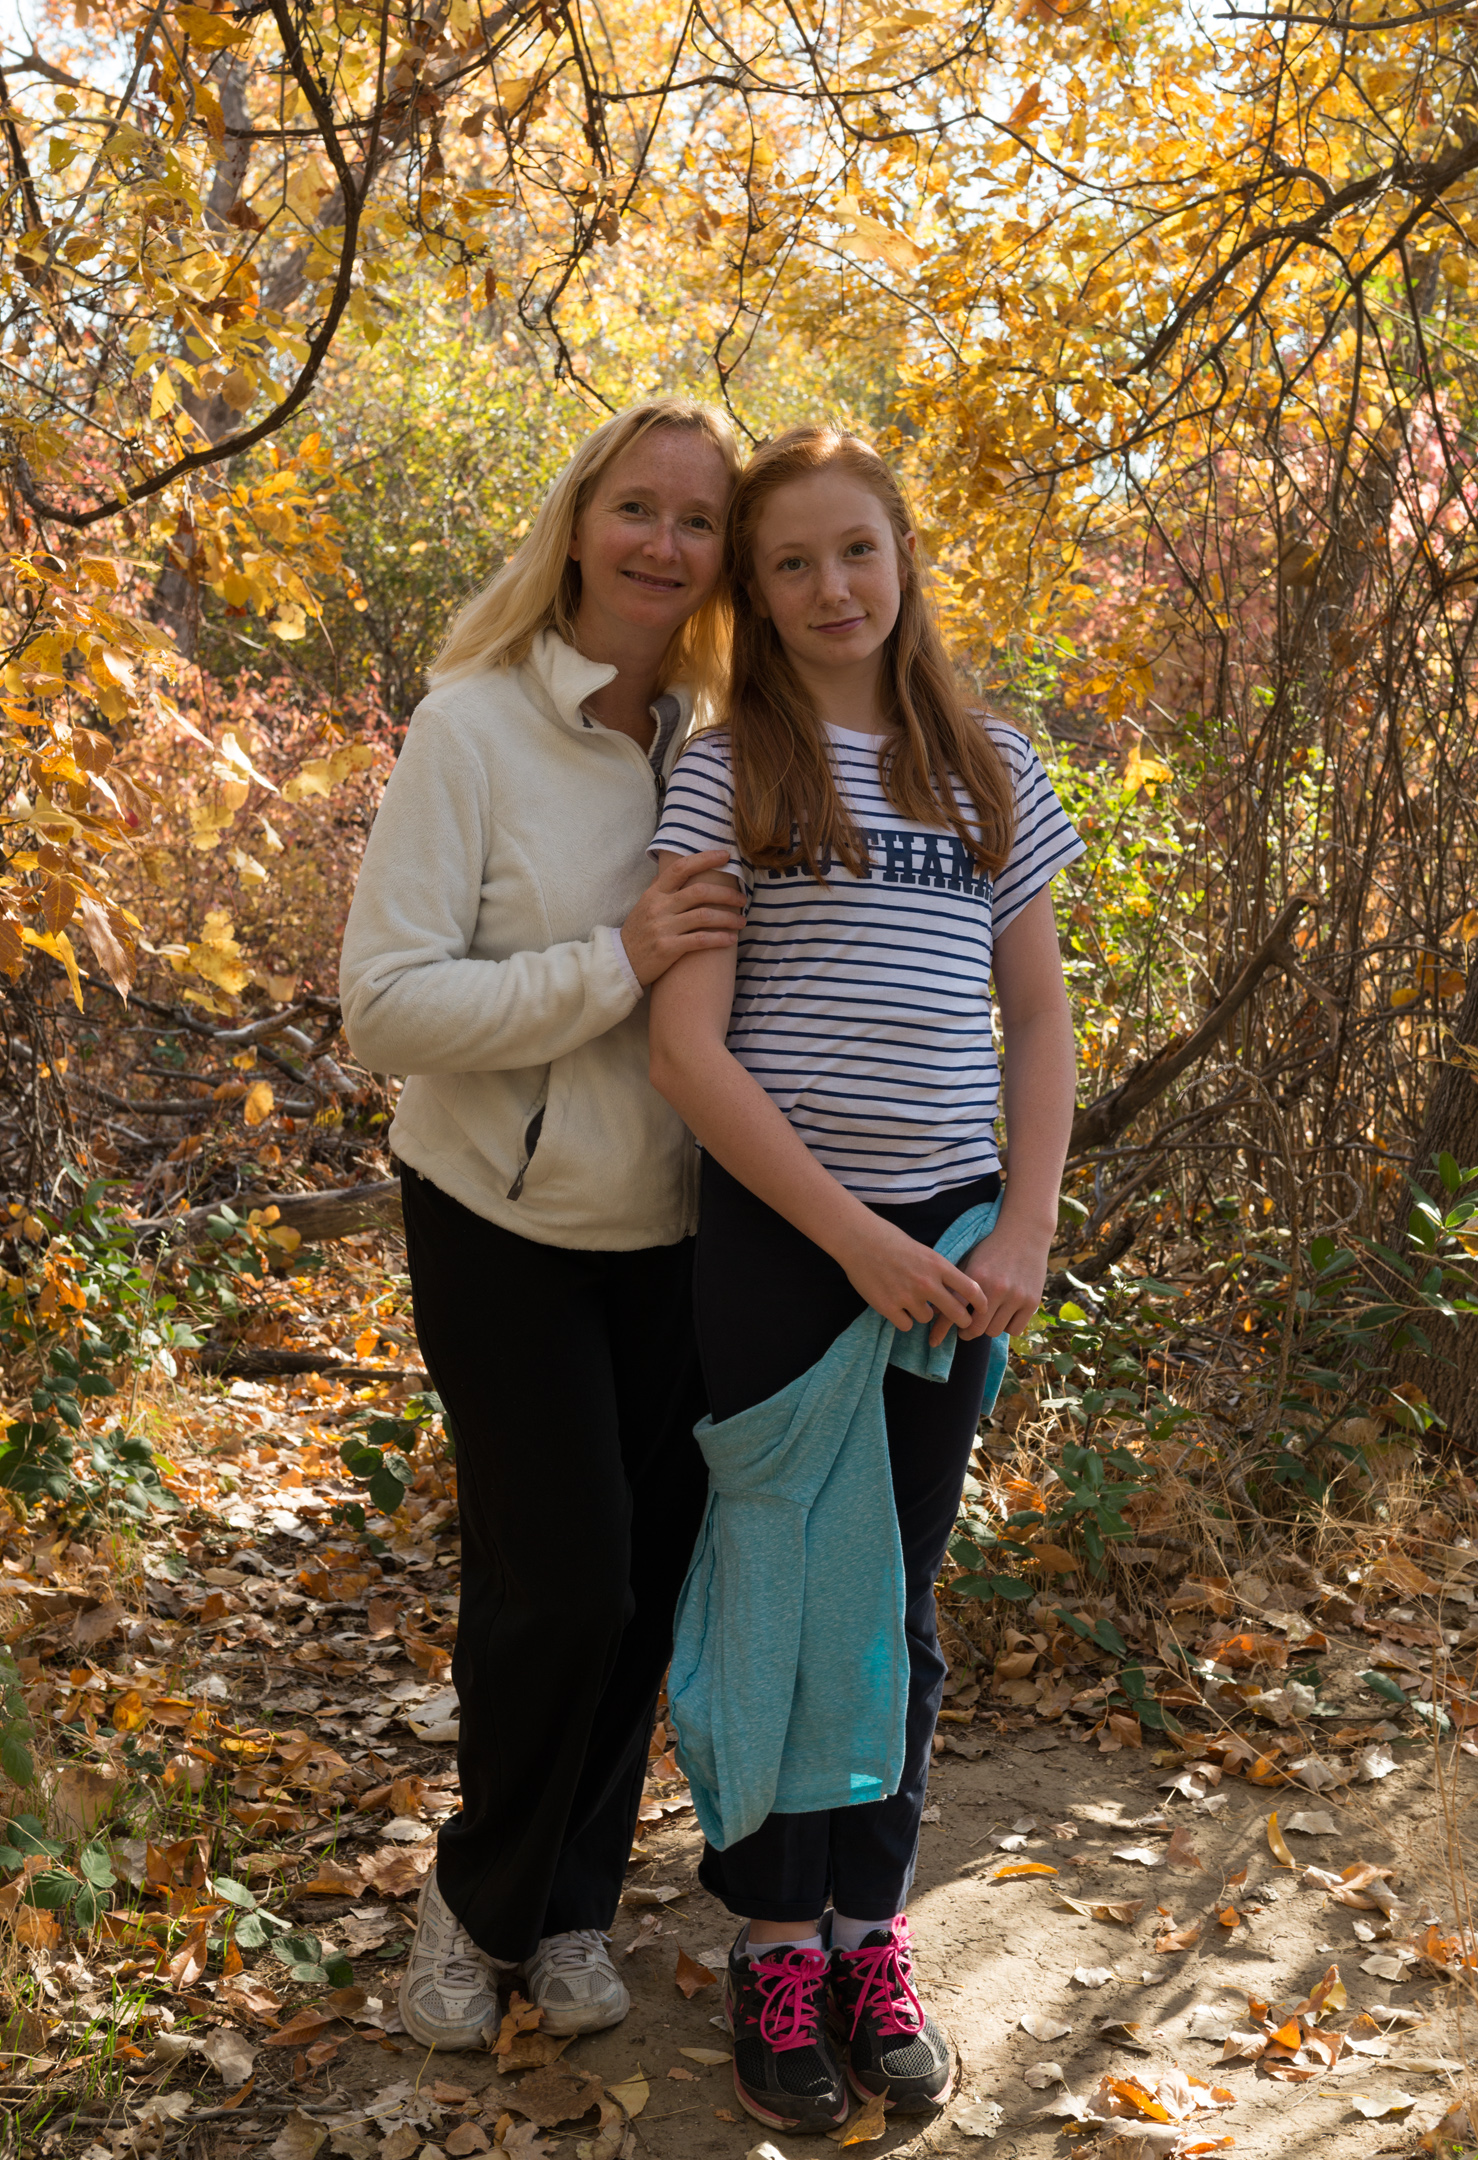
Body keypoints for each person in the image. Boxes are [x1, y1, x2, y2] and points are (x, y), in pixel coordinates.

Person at [647, 424, 1084, 2132]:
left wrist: (1021, 1227)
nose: (831, 586)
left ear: (901, 559)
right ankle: (772, 1946)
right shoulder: (725, 771)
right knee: (778, 1589)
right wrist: (849, 1237)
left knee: (893, 1598)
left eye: (857, 551)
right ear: (754, 595)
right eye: (790, 562)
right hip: (785, 1245)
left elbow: (1034, 1017)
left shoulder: (986, 764)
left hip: (958, 1241)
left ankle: (865, 1938)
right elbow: (688, 1051)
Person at [339, 397, 747, 2050]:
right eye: (637, 507)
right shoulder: (475, 727)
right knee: (558, 1585)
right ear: (578, 522)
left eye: (698, 520)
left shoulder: (725, 741)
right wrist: (616, 962)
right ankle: (477, 1900)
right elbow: (384, 1006)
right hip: (499, 1222)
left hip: (683, 1234)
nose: (663, 543)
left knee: (640, 1589)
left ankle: (573, 1900)